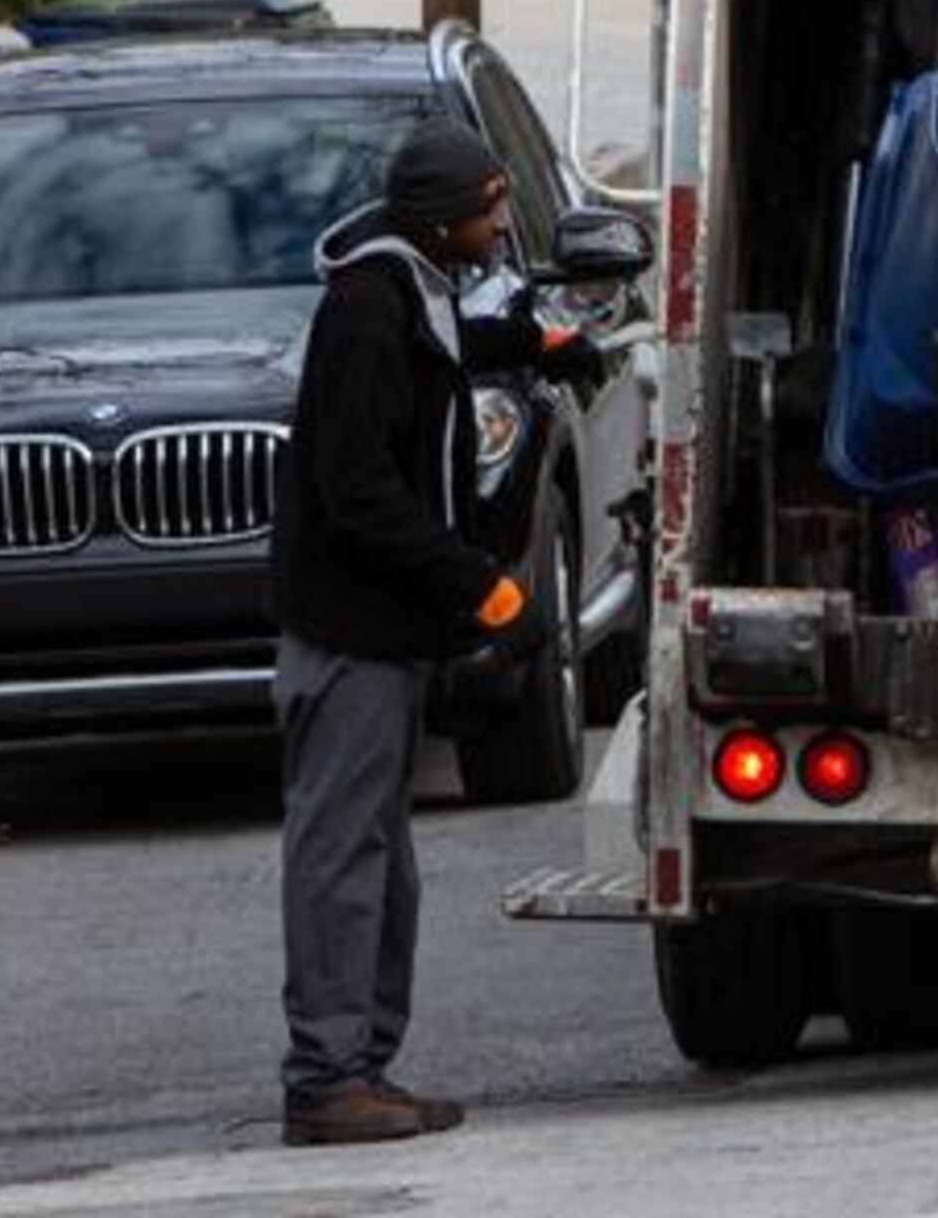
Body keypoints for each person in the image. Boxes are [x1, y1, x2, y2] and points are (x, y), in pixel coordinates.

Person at [271, 118, 600, 1148]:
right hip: (349, 640)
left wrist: (537, 344)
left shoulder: (412, 289)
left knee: (383, 868)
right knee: (341, 858)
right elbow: (357, 488)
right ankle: (326, 1083)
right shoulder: (365, 312)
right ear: (441, 216)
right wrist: (478, 586)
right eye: (491, 211)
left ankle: (360, 1067)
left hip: (385, 637)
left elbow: (444, 355)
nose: (502, 229)